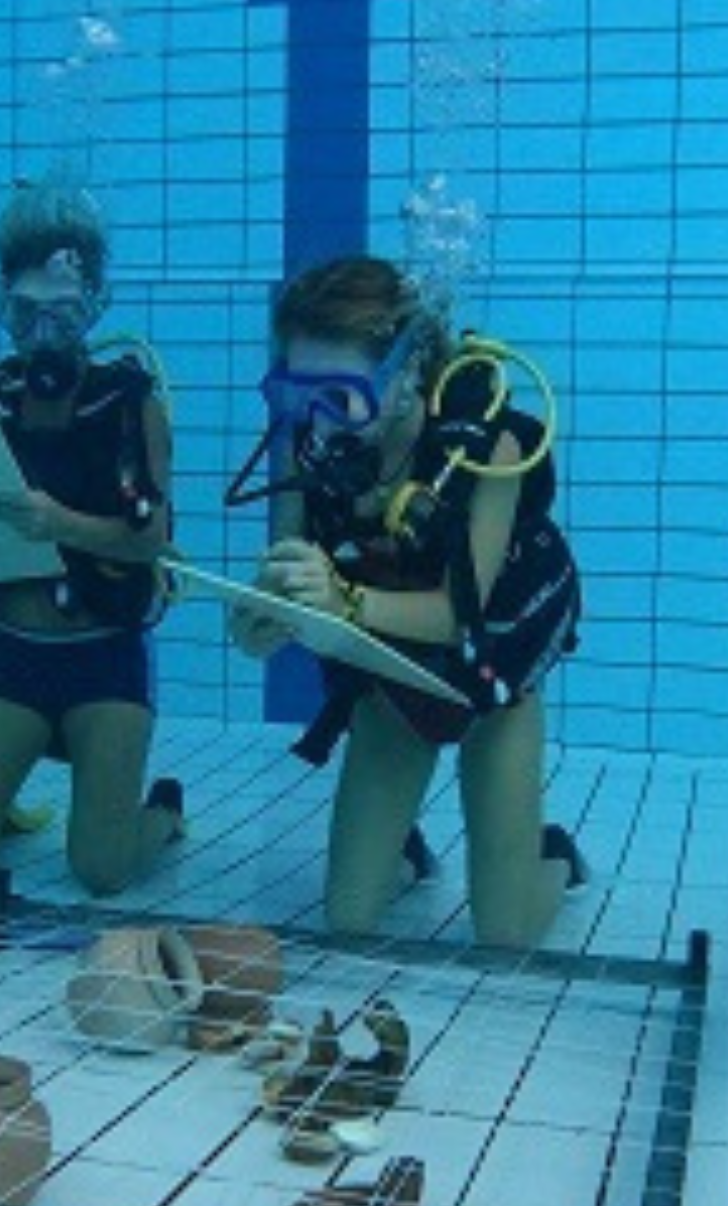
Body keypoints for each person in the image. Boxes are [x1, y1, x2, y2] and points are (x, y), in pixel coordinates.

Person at [231, 255, 583, 946]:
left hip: (491, 680)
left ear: (404, 376)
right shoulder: (306, 451)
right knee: (350, 919)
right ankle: (406, 851)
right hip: (396, 677)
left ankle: (552, 859)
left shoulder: (488, 447)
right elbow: (277, 596)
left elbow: (461, 614)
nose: (319, 421)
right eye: (295, 393)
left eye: (340, 395)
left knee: (504, 935)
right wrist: (257, 623)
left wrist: (342, 602)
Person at [0, 184, 182, 897]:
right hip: (10, 654)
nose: (45, 334)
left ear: (94, 306)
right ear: (2, 308)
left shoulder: (131, 405)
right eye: (27, 313)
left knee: (101, 869)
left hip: (102, 655)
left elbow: (150, 538)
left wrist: (60, 525)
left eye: (63, 313)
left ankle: (163, 813)